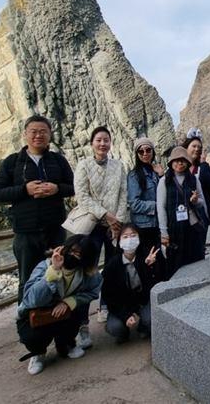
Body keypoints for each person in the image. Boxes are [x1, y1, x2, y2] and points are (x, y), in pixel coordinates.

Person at [0, 115, 74, 303]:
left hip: (55, 229)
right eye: (34, 132)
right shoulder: (13, 162)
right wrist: (24, 189)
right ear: (25, 134)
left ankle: (54, 320)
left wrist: (56, 189)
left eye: (43, 131)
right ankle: (27, 323)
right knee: (27, 279)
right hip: (26, 232)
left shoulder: (58, 160)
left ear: (50, 134)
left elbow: (73, 186)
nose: (38, 135)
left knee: (57, 274)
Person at [73, 125, 128, 346]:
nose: (102, 144)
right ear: (92, 143)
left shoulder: (118, 166)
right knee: (88, 270)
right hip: (92, 225)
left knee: (114, 267)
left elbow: (124, 193)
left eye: (106, 140)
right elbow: (82, 197)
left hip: (114, 225)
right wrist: (107, 215)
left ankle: (108, 307)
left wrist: (119, 220)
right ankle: (82, 324)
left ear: (110, 143)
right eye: (99, 140)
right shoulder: (83, 165)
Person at [16, 234, 101, 375]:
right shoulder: (44, 266)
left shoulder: (87, 273)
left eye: (78, 254)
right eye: (71, 250)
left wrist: (69, 302)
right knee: (31, 337)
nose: (72, 255)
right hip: (37, 313)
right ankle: (38, 352)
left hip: (63, 314)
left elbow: (93, 292)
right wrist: (53, 272)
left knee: (75, 315)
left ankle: (66, 345)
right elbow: (32, 299)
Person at [101, 224, 161, 343]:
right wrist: (125, 315)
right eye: (126, 236)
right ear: (119, 241)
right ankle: (123, 332)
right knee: (116, 328)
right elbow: (108, 296)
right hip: (121, 304)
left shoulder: (145, 257)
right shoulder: (113, 264)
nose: (130, 240)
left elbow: (155, 284)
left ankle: (143, 327)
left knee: (150, 320)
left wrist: (150, 266)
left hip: (142, 301)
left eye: (133, 236)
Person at [157, 146, 208, 276]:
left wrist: (196, 201)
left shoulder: (193, 179)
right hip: (174, 229)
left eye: (183, 160)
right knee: (175, 263)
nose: (180, 163)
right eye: (176, 160)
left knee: (194, 260)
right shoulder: (164, 181)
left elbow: (202, 201)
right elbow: (161, 207)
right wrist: (164, 232)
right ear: (171, 162)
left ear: (187, 162)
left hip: (192, 227)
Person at [126, 137, 165, 262]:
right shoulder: (134, 176)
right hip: (144, 227)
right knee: (147, 259)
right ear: (137, 154)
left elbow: (165, 193)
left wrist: (161, 175)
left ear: (153, 151)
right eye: (141, 151)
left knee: (159, 258)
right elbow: (134, 204)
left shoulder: (155, 172)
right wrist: (157, 206)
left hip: (159, 224)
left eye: (148, 150)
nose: (145, 154)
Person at [181, 135, 210, 222]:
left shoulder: (202, 167)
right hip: (183, 212)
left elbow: (209, 182)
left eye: (199, 147)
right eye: (194, 146)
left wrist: (204, 163)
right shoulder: (179, 167)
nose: (197, 149)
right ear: (186, 148)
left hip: (201, 213)